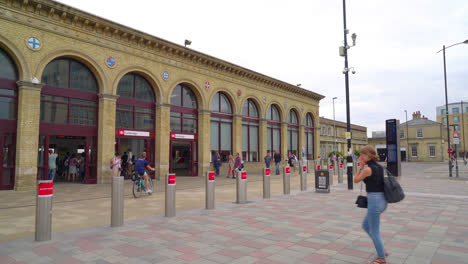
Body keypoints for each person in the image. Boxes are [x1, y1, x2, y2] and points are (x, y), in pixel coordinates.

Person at [353, 145, 388, 264]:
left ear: (368, 155)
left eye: (362, 154)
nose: (360, 157)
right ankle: (381, 249)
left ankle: (381, 258)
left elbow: (356, 180)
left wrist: (360, 168)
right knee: (366, 226)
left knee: (374, 231)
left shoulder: (368, 169)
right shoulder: (379, 167)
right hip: (382, 200)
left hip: (374, 201)